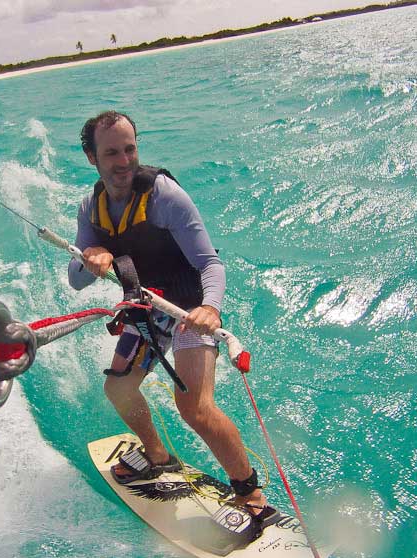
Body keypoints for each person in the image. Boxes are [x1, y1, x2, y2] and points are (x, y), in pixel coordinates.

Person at [68, 110, 275, 523]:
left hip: (188, 308)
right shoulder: (91, 208)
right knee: (120, 390)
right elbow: (75, 279)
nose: (124, 161)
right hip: (146, 307)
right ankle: (158, 456)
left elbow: (210, 264)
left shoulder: (164, 196)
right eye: (111, 153)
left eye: (130, 149)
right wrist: (90, 260)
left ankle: (251, 495)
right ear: (92, 157)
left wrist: (210, 308)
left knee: (193, 406)